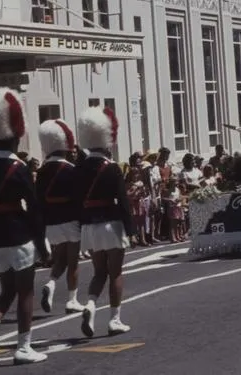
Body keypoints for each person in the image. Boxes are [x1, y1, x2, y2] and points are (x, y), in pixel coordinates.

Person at [0, 88, 49, 366]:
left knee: (6, 291)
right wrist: (41, 243)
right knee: (25, 291)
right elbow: (34, 207)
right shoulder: (18, 168)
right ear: (14, 136)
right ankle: (23, 346)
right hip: (19, 234)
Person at [74, 107, 135, 338]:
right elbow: (123, 200)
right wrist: (131, 229)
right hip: (111, 223)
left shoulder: (79, 168)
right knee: (116, 272)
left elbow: (76, 199)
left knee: (99, 272)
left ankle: (90, 304)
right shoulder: (111, 168)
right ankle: (114, 319)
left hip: (90, 225)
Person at [37, 119, 86, 315]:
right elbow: (79, 198)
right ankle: (72, 300)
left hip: (51, 222)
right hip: (71, 220)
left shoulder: (41, 172)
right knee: (73, 261)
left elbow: (38, 198)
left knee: (62, 259)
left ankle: (51, 283)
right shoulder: (71, 170)